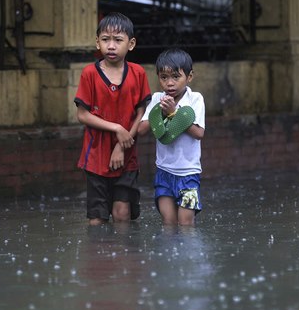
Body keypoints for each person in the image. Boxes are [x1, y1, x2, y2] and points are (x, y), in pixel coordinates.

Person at [74, 12, 152, 225]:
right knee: (97, 219)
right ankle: (100, 258)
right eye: (105, 39)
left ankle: (125, 257)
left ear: (131, 44)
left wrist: (121, 145)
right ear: (97, 42)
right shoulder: (89, 73)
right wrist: (117, 128)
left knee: (122, 214)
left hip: (127, 156)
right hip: (96, 156)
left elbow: (142, 112)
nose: (111, 46)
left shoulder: (138, 73)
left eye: (118, 40)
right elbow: (82, 114)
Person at [138, 48, 205, 225]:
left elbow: (199, 133)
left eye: (176, 77)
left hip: (189, 174)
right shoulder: (157, 98)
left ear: (189, 77)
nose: (169, 83)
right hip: (164, 172)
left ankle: (188, 253)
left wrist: (174, 113)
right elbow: (142, 129)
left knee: (186, 224)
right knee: (168, 224)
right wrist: (159, 112)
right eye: (164, 77)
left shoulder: (195, 99)